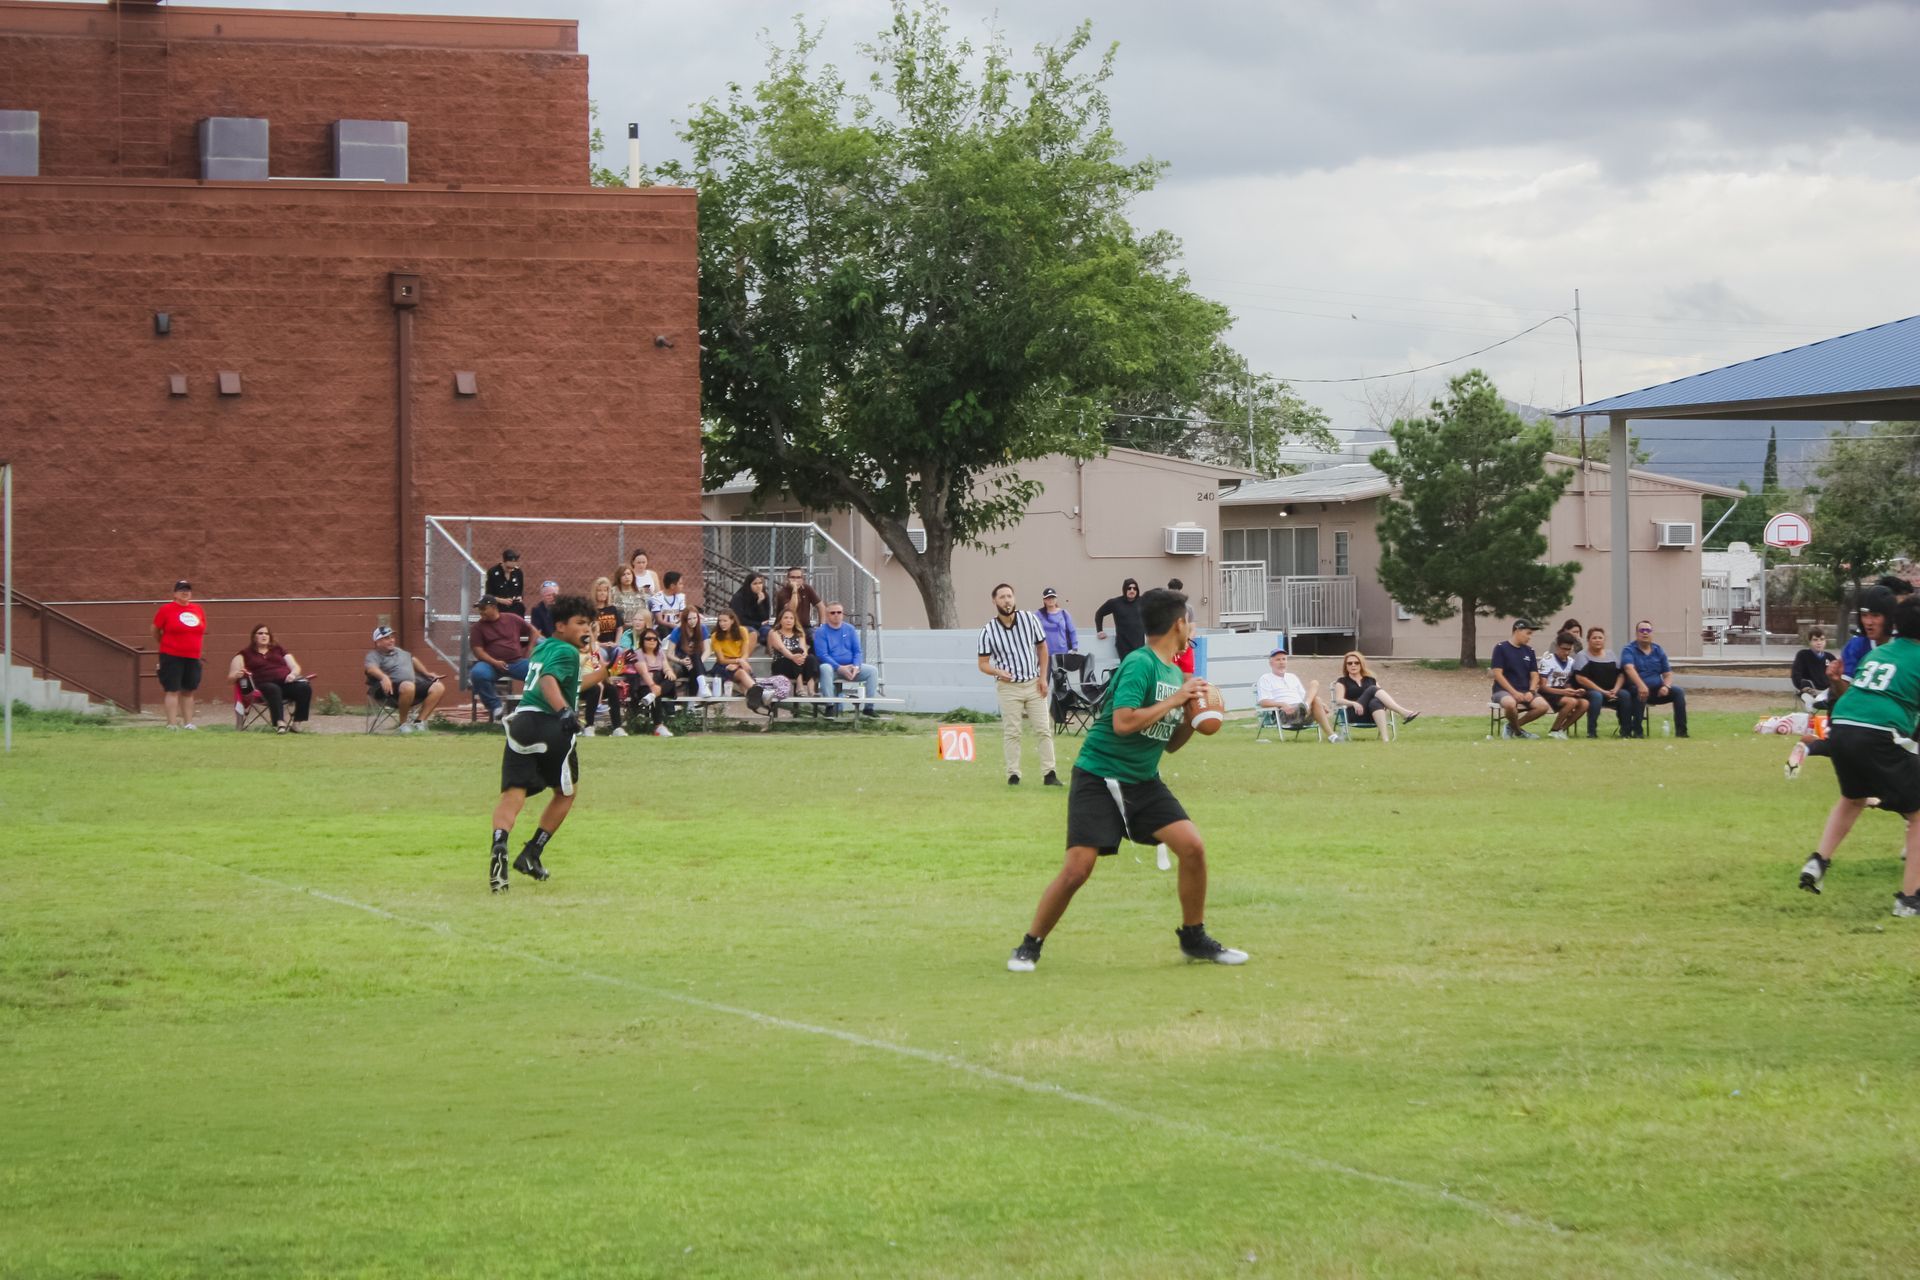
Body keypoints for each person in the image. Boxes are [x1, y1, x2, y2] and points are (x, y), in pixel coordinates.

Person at [1006, 586, 1246, 972]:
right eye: (1191, 619)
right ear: (1179, 623)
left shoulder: (1174, 671)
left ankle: (1194, 938)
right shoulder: (1141, 662)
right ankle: (1029, 945)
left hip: (1143, 780)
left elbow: (1168, 746)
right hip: (1099, 776)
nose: (1193, 626)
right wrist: (1174, 700)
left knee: (1193, 847)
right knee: (1077, 870)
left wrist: (1194, 718)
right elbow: (1123, 723)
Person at [1795, 596, 1920, 918]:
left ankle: (1818, 861)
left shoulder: (1878, 653)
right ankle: (1909, 900)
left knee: (1853, 798)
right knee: (1919, 815)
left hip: (1842, 727)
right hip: (1879, 734)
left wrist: (1836, 681)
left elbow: (1859, 698)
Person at [488, 593, 613, 893]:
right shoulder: (568, 653)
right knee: (565, 793)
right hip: (550, 724)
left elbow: (568, 684)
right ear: (560, 625)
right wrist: (564, 712)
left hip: (521, 724)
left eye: (589, 624)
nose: (586, 629)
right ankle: (532, 852)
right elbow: (548, 681)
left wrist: (605, 672)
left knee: (513, 793)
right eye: (580, 623)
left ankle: (499, 846)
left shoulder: (544, 647)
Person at [977, 583, 1058, 786]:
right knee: (1012, 732)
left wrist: (1042, 678)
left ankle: (1050, 773)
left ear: (1015, 598)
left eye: (1010, 596)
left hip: (1032, 683)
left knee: (1044, 729)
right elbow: (983, 664)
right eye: (1002, 597)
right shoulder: (988, 631)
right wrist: (997, 671)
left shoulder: (1029, 619)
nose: (1007, 600)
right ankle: (1013, 774)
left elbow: (1042, 648)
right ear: (994, 601)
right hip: (1008, 687)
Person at [228, 623, 312, 732]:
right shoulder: (244, 654)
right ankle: (280, 722)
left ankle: (296, 723)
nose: (264, 636)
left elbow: (295, 666)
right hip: (262, 688)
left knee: (304, 687)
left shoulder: (278, 649)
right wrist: (236, 675)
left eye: (267, 633)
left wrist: (292, 674)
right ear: (254, 637)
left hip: (285, 683)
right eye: (260, 633)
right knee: (273, 688)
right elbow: (230, 679)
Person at [364, 624, 448, 732]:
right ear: (377, 642)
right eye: (386, 638)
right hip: (389, 691)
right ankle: (403, 725)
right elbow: (371, 669)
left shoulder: (400, 652)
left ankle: (419, 722)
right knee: (408, 686)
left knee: (438, 687)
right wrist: (384, 677)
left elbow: (413, 660)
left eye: (392, 637)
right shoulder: (373, 655)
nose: (391, 640)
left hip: (411, 686)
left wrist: (426, 673)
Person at [466, 594, 536, 722]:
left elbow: (533, 631)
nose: (481, 612)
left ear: (493, 607)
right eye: (479, 609)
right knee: (477, 673)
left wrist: (529, 649)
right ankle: (496, 708)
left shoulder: (512, 619)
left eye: (483, 609)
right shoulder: (477, 628)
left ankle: (532, 708)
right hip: (490, 664)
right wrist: (495, 662)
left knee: (538, 672)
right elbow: (478, 651)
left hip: (516, 662)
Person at [152, 578, 207, 730]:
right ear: (175, 593)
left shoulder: (197, 609)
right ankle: (172, 723)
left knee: (189, 690)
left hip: (193, 655)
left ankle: (188, 723)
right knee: (173, 689)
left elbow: (200, 630)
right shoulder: (166, 609)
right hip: (171, 655)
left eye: (187, 590)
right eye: (181, 590)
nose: (185, 592)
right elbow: (155, 630)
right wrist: (165, 643)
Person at [1253, 646, 1338, 741]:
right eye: (1278, 660)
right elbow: (1263, 702)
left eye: (1284, 659)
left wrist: (1320, 704)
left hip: (1301, 710)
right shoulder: (1265, 678)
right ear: (1271, 663)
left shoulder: (1292, 677)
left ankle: (1332, 736)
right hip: (1285, 713)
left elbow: (1304, 697)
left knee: (1315, 685)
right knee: (1315, 701)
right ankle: (1332, 736)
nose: (1281, 662)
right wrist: (1282, 704)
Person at [1621, 619, 1687, 737]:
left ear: (1652, 633)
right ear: (1636, 633)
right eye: (1642, 630)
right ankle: (1637, 732)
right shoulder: (1629, 650)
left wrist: (1666, 686)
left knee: (1678, 692)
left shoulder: (1658, 650)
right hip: (1636, 690)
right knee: (1640, 692)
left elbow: (1668, 674)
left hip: (1657, 690)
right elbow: (1628, 668)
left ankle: (1681, 732)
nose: (1645, 633)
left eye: (1648, 630)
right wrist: (1641, 685)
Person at [815, 600, 879, 717]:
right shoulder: (821, 632)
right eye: (832, 613)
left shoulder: (850, 629)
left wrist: (856, 666)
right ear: (827, 615)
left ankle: (869, 707)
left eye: (839, 612)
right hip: (833, 669)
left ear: (843, 614)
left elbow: (857, 651)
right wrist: (839, 668)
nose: (836, 615)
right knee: (824, 667)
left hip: (850, 668)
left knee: (872, 671)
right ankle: (830, 706)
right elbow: (822, 655)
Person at [579, 579, 627, 735]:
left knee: (612, 690)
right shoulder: (581, 647)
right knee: (595, 689)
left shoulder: (596, 649)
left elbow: (602, 668)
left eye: (605, 591)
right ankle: (589, 726)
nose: (602, 594)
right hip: (582, 684)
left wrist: (617, 666)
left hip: (596, 679)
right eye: (596, 632)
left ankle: (617, 727)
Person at [1332, 651, 1419, 735]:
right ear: (1346, 666)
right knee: (1373, 688)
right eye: (1349, 663)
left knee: (1376, 701)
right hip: (1355, 713)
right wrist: (1353, 703)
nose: (1353, 665)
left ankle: (1385, 740)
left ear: (1361, 664)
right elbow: (1339, 700)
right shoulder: (1342, 681)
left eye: (1356, 663)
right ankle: (1403, 712)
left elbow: (1381, 696)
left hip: (1373, 714)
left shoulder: (1370, 680)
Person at [1491, 619, 1550, 739]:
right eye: (1528, 633)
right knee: (1510, 703)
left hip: (1525, 691)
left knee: (1543, 706)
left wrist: (1532, 691)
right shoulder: (1501, 648)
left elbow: (1534, 675)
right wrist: (1514, 693)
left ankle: (1512, 727)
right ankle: (1518, 732)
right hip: (1503, 691)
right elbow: (1498, 674)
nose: (1530, 637)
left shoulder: (1529, 651)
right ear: (1518, 630)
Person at [1574, 625, 1629, 738]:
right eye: (1594, 638)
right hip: (1590, 691)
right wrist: (1603, 691)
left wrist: (1616, 689)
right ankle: (1592, 732)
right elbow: (1580, 678)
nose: (1598, 640)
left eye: (1600, 638)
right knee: (1596, 696)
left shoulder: (1611, 654)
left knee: (1625, 695)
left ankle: (1626, 731)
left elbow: (1621, 674)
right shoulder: (1582, 656)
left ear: (1604, 640)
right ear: (1588, 640)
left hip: (1611, 691)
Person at [624, 628, 674, 737]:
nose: (652, 641)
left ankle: (653, 695)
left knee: (670, 679)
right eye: (648, 639)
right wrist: (652, 685)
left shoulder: (660, 652)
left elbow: (665, 666)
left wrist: (669, 671)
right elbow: (644, 672)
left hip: (659, 686)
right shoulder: (638, 654)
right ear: (642, 640)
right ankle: (658, 726)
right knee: (656, 696)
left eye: (654, 639)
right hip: (645, 685)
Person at [1537, 631, 1587, 739]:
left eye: (1569, 649)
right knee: (1571, 701)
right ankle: (1554, 730)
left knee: (1584, 703)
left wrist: (1574, 691)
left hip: (1561, 692)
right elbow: (1542, 686)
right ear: (1557, 647)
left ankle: (1561, 730)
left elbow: (1567, 682)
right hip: (1548, 692)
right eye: (1564, 649)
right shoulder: (1547, 660)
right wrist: (1564, 692)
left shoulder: (1571, 662)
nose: (1566, 652)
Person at [768, 607, 820, 695]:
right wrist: (793, 657)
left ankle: (811, 689)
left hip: (798, 665)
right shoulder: (774, 633)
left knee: (811, 657)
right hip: (781, 665)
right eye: (786, 618)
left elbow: (804, 650)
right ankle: (799, 686)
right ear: (780, 620)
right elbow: (782, 649)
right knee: (797, 651)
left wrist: (802, 657)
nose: (789, 620)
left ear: (795, 621)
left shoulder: (799, 634)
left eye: (791, 618)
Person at [708, 607, 758, 696]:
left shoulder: (742, 631)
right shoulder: (715, 636)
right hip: (723, 666)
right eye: (720, 621)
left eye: (725, 621)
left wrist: (738, 663)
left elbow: (745, 653)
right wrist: (738, 661)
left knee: (744, 678)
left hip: (739, 663)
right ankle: (762, 693)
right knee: (742, 673)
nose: (722, 624)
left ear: (732, 621)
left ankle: (755, 694)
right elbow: (721, 660)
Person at [667, 608, 713, 698]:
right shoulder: (677, 631)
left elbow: (708, 650)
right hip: (682, 662)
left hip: (696, 662)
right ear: (685, 620)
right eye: (689, 619)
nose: (693, 621)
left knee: (695, 660)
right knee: (693, 665)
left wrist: (698, 662)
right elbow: (669, 654)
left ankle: (692, 703)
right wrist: (681, 661)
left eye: (695, 618)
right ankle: (701, 688)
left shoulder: (702, 628)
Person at [1094, 578, 1145, 658]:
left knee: (1139, 669)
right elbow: (1099, 614)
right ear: (1124, 589)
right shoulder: (1115, 603)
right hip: (1124, 646)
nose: (1132, 590)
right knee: (1127, 669)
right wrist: (1100, 631)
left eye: (1135, 588)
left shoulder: (1143, 601)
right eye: (1129, 588)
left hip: (1140, 646)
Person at [1792, 628, 1833, 711]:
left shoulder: (1830, 657)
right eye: (1815, 640)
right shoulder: (1803, 655)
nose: (1819, 643)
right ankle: (1816, 701)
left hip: (1827, 690)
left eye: (1822, 639)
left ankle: (1824, 701)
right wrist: (1801, 686)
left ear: (1825, 642)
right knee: (1805, 683)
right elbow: (1796, 674)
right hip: (1811, 690)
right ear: (1810, 642)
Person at [1036, 588, 1078, 658]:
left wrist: (1074, 647)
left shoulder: (1064, 613)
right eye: (1048, 598)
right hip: (1045, 654)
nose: (1050, 600)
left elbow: (1072, 631)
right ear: (1044, 600)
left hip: (1063, 653)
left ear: (1056, 599)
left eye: (1053, 598)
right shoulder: (1039, 614)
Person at [730, 571, 772, 641]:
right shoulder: (739, 597)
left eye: (760, 583)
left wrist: (759, 604)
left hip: (759, 625)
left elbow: (765, 618)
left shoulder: (764, 596)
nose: (758, 586)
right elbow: (739, 618)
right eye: (755, 584)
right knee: (752, 632)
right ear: (749, 585)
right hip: (743, 625)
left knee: (770, 632)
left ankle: (771, 651)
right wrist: (759, 623)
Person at [484, 549, 525, 616]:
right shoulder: (493, 573)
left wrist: (519, 598)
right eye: (508, 568)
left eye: (512, 568)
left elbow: (520, 592)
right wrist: (502, 600)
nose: (510, 570)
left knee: (520, 608)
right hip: (499, 608)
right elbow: (488, 595)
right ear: (503, 562)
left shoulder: (518, 572)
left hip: (514, 607)